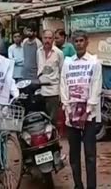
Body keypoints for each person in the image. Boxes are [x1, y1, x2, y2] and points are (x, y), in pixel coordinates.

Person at [60, 30, 102, 189]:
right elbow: (63, 86)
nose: (78, 44)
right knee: (74, 155)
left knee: (90, 155)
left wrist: (87, 111)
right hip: (71, 116)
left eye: (81, 41)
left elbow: (96, 87)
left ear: (87, 42)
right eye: (76, 41)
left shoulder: (94, 62)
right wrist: (67, 109)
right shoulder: (68, 63)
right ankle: (78, 185)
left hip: (89, 116)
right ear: (73, 43)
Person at [37, 30, 64, 124]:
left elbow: (62, 73)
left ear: (53, 39)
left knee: (52, 121)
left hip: (53, 91)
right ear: (42, 39)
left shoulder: (59, 53)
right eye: (45, 38)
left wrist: (61, 93)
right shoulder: (38, 51)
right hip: (41, 91)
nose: (47, 40)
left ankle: (54, 138)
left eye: (49, 38)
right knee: (41, 120)